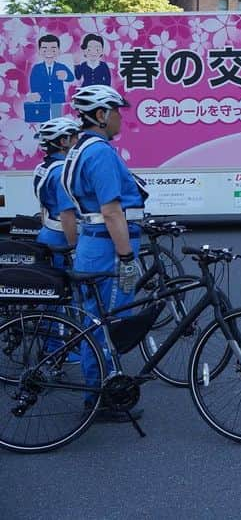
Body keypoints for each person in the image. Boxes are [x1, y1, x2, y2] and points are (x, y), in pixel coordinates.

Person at [61, 85, 148, 422]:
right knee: (105, 326)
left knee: (93, 322)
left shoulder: (80, 148)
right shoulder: (100, 153)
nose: (120, 117)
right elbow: (112, 211)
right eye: (116, 111)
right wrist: (127, 258)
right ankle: (103, 398)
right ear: (100, 115)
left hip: (91, 243)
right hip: (107, 247)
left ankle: (97, 392)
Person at [32, 116, 81, 265]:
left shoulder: (42, 168)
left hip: (48, 233)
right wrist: (73, 249)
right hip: (63, 238)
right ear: (63, 141)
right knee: (75, 285)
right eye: (75, 138)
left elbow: (43, 207)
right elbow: (67, 214)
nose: (78, 142)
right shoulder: (62, 172)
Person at [27, 34, 74, 120]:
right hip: (42, 99)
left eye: (53, 49)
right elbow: (33, 81)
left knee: (57, 120)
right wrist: (35, 93)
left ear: (59, 51)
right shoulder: (37, 68)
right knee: (43, 120)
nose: (49, 52)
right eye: (45, 49)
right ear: (40, 51)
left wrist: (66, 76)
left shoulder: (61, 66)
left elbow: (71, 77)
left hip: (57, 99)